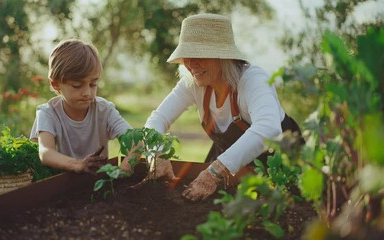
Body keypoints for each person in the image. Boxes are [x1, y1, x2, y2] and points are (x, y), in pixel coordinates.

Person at [143, 13, 304, 201]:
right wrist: (157, 154)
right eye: (187, 55)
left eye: (200, 55)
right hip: (233, 169)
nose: (191, 64)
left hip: (281, 167)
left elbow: (269, 128)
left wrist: (214, 171)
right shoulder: (193, 83)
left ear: (222, 56)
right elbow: (156, 119)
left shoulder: (253, 80)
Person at [30, 39, 132, 174]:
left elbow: (134, 139)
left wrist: (126, 166)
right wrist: (78, 164)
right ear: (55, 84)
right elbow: (46, 152)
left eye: (93, 84)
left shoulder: (104, 110)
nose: (87, 93)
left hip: (97, 181)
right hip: (59, 184)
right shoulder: (48, 113)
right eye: (77, 85)